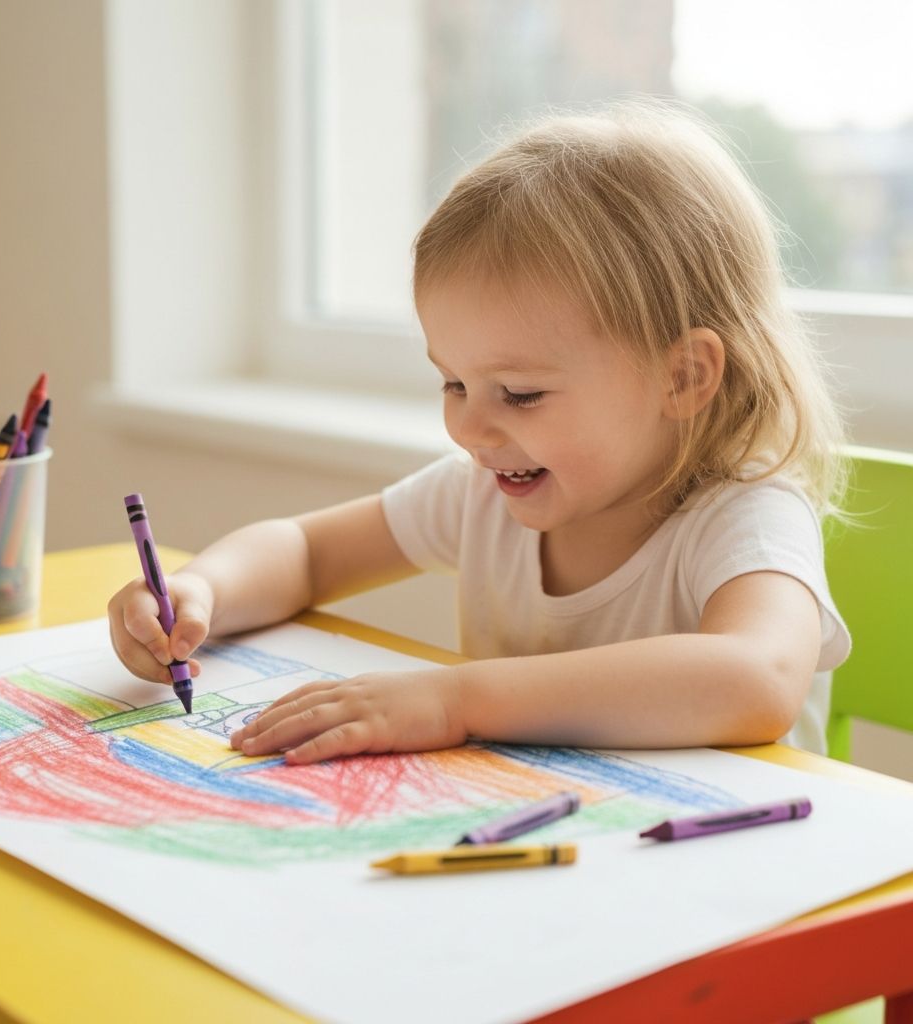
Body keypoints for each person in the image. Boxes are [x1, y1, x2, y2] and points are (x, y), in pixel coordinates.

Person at [108, 100, 850, 764]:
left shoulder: (746, 519)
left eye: (520, 394)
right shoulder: (486, 495)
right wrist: (201, 590)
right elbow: (306, 553)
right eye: (453, 382)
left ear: (683, 378)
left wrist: (456, 700)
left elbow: (758, 678)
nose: (467, 425)